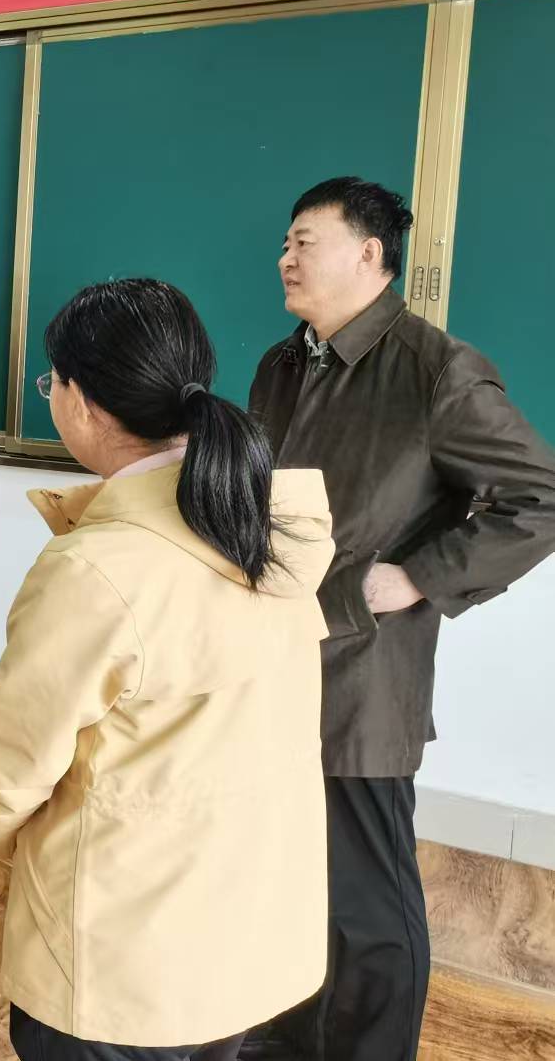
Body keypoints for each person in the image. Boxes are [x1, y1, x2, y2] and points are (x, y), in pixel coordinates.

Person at [0, 279, 335, 1060]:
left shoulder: (98, 568)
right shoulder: (273, 529)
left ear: (82, 402)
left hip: (122, 956)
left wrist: (9, 845)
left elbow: (11, 765)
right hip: (243, 935)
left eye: (51, 382)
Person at [243, 178, 555, 1060]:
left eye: (304, 242)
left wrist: (419, 576)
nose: (285, 258)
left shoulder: (436, 369)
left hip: (363, 676)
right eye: (285, 243)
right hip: (272, 661)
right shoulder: (281, 363)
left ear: (370, 253)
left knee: (367, 904)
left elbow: (538, 497)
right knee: (289, 881)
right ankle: (288, 1042)